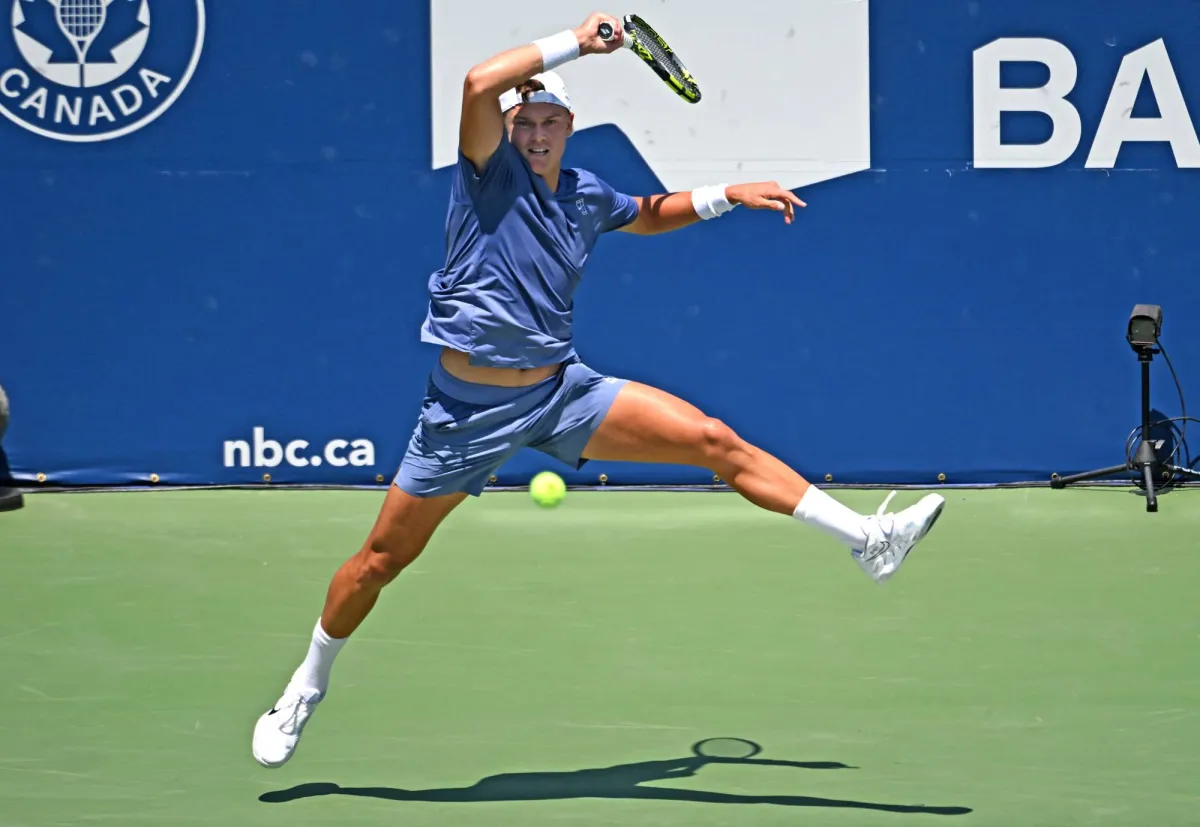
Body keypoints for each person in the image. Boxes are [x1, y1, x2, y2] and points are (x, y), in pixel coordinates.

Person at [251, 12, 945, 769]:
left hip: (560, 392)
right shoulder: (487, 177)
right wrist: (578, 44)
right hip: (465, 416)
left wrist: (728, 193)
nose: (536, 134)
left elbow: (644, 215)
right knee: (379, 562)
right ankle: (306, 684)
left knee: (713, 439)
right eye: (525, 122)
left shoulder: (585, 193)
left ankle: (869, 541)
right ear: (507, 130)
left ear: (569, 127)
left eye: (550, 121)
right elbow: (478, 82)